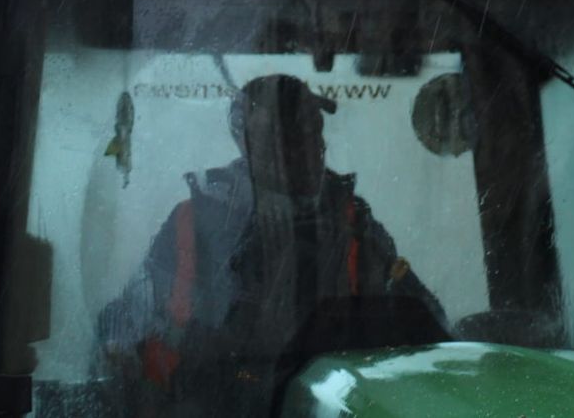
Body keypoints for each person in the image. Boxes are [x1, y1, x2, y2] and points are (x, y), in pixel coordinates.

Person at [98, 74, 444, 413]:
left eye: (313, 129)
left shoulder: (352, 219)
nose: (309, 146)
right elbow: (125, 323)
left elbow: (423, 318)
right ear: (244, 141)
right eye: (287, 136)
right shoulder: (196, 220)